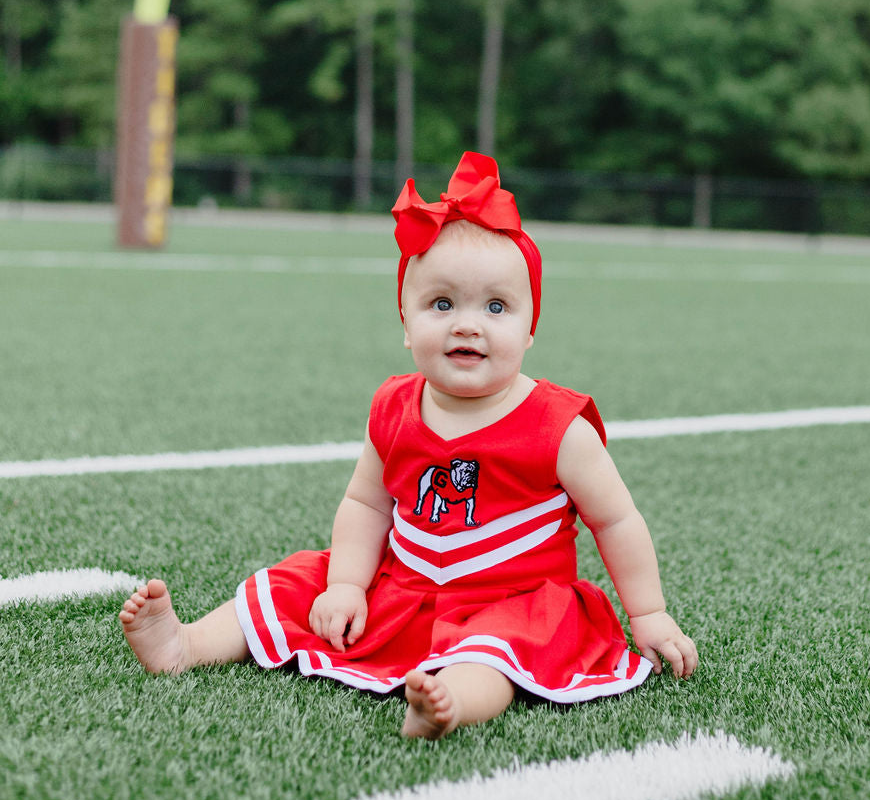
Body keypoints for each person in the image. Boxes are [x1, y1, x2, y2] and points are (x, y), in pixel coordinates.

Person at [120, 152, 698, 738]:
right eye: (441, 304)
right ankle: (186, 643)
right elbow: (367, 504)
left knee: (497, 651)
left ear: (530, 327)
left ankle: (446, 703)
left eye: (496, 307)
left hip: (515, 600)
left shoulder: (558, 425)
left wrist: (647, 615)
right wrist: (347, 583)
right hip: (405, 589)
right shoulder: (395, 408)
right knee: (296, 581)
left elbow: (617, 520)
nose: (467, 324)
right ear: (405, 321)